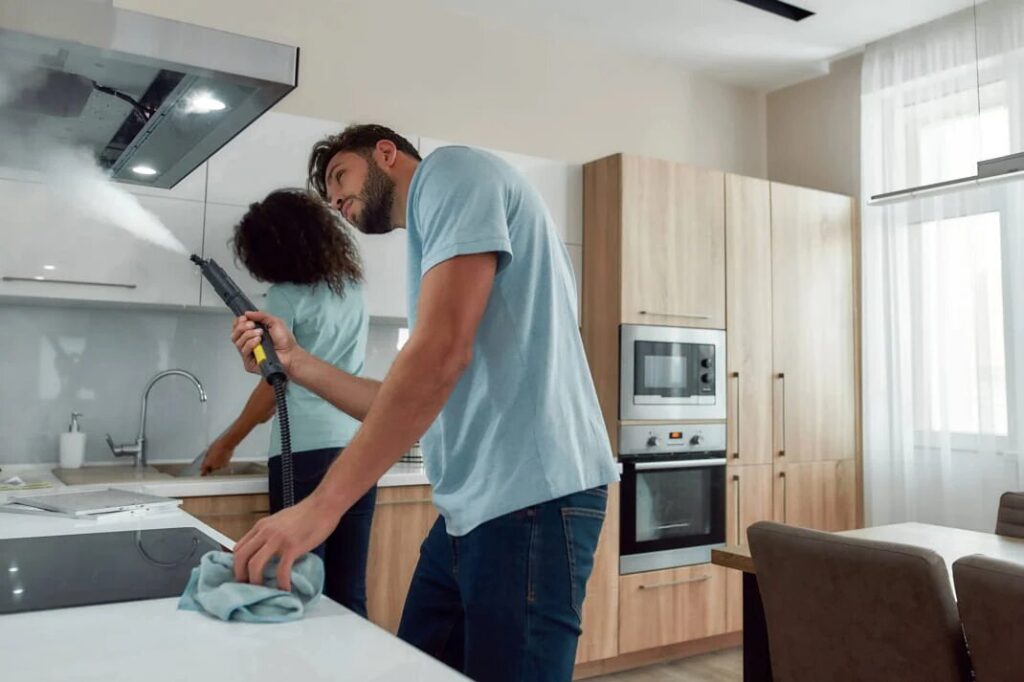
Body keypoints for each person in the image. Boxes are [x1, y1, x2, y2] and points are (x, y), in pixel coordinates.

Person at [229, 125, 618, 682]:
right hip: (471, 512)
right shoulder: (438, 245)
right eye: (330, 198)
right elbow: (398, 401)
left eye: (340, 176)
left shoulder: (453, 172)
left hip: (532, 498)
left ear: (386, 154)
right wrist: (294, 361)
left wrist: (322, 506)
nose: (336, 201)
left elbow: (438, 356)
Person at [201, 188, 376, 616]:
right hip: (358, 447)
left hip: (302, 453)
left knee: (293, 584)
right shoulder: (352, 290)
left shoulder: (284, 297)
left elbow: (272, 388)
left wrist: (227, 442)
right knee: (348, 590)